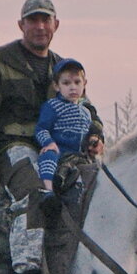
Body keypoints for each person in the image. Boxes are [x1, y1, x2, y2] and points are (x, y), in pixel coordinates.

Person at [0, 0, 104, 274]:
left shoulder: (63, 67)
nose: (40, 26)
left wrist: (95, 134)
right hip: (16, 145)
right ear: (21, 25)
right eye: (33, 20)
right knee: (34, 190)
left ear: (56, 25)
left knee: (99, 187)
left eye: (46, 20)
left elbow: (85, 107)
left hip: (62, 149)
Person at [35, 58, 98, 207]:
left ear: (84, 84)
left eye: (77, 82)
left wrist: (93, 141)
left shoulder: (86, 112)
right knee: (48, 157)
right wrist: (49, 143)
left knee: (96, 167)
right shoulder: (52, 106)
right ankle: (48, 190)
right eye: (66, 83)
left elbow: (88, 132)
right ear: (56, 86)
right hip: (59, 150)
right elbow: (41, 128)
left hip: (78, 154)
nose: (73, 88)